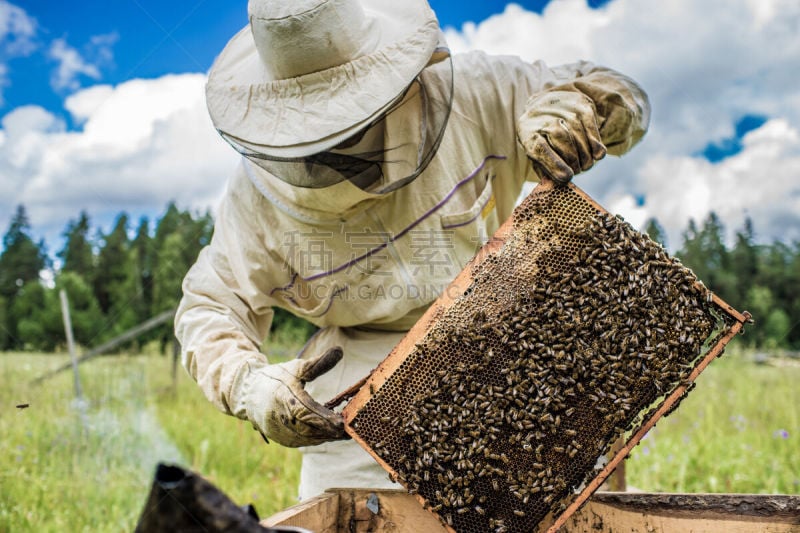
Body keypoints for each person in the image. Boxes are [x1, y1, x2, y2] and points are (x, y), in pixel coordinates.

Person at [176, 0, 650, 501]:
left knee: (572, 509)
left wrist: (581, 108)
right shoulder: (255, 201)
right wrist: (250, 387)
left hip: (516, 356)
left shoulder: (480, 92)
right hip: (358, 397)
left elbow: (624, 94)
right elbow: (211, 307)